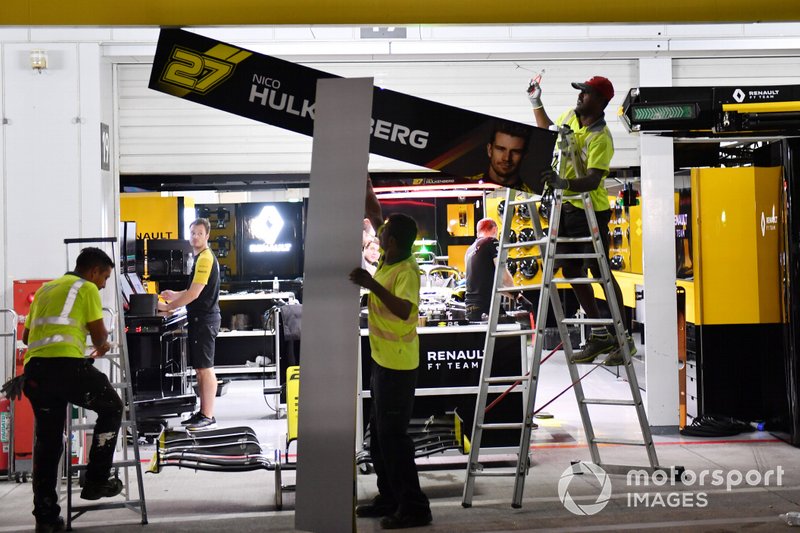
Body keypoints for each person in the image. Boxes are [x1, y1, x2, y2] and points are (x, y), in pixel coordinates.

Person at [527, 75, 635, 365]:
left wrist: (563, 183)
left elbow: (593, 180)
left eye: (585, 93)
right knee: (571, 271)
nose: (580, 97)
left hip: (590, 209)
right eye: (580, 92)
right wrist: (536, 101)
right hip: (566, 208)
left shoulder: (602, 137)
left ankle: (623, 337)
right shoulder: (569, 117)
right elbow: (546, 129)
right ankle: (600, 333)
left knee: (599, 271)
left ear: (600, 101)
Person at [20, 247, 123, 533]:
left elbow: (28, 336)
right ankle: (96, 480)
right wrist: (102, 344)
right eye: (104, 277)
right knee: (113, 407)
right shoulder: (86, 288)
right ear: (93, 272)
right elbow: (101, 336)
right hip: (67, 368)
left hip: (35, 372)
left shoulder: (45, 290)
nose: (103, 284)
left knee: (48, 442)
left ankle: (46, 518)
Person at [349, 214, 432, 530]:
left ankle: (414, 506)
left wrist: (371, 285)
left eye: (381, 234)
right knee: (380, 437)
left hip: (398, 365)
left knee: (393, 439)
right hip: (382, 361)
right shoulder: (388, 259)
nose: (377, 237)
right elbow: (376, 214)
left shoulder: (406, 270)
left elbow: (405, 311)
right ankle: (390, 497)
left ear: (392, 242)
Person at [159, 217, 221, 430]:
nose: (195, 236)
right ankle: (202, 412)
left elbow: (195, 294)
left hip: (205, 319)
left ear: (207, 236)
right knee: (200, 369)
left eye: (199, 233)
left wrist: (169, 307)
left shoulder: (204, 259)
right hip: (201, 318)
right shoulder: (200, 257)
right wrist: (175, 295)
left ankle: (208, 415)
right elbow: (194, 289)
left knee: (205, 369)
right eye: (192, 232)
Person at [464, 218, 530, 321]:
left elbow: (489, 286)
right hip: (487, 307)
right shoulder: (491, 241)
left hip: (470, 308)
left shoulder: (469, 250)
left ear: (478, 232)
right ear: (495, 229)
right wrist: (516, 293)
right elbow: (503, 275)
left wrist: (517, 297)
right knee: (513, 329)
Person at [470, 120, 536, 192]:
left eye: (515, 152)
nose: (507, 158)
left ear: (524, 155)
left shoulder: (535, 200)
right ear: (489, 150)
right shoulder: (464, 186)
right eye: (501, 149)